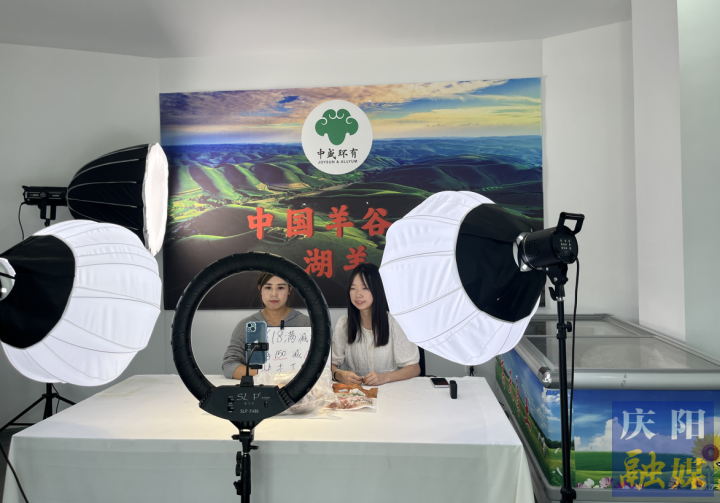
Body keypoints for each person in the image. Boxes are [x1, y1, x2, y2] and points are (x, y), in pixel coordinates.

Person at [332, 263, 420, 386]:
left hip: (391, 392)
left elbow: (414, 368)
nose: (358, 294)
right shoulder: (343, 324)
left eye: (365, 288)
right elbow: (330, 365)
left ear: (377, 290)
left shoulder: (395, 323)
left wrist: (385, 377)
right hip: (356, 393)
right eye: (353, 288)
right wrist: (338, 374)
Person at [223, 272, 310, 379]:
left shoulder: (307, 324)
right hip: (258, 387)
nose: (274, 294)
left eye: (280, 288)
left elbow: (320, 363)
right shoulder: (247, 325)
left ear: (289, 290)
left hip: (298, 387)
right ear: (260, 289)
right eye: (268, 287)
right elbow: (229, 365)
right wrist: (269, 375)